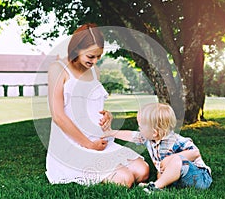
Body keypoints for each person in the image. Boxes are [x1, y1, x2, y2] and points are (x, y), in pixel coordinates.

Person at [46, 23, 149, 187]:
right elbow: (58, 116)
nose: (94, 61)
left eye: (98, 57)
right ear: (77, 49)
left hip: (98, 140)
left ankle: (108, 170)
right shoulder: (58, 69)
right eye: (90, 56)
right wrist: (88, 144)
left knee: (142, 171)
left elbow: (91, 105)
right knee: (125, 179)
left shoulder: (95, 71)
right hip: (72, 144)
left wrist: (107, 115)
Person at [103, 103, 212, 193]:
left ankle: (154, 187)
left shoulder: (176, 141)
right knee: (161, 171)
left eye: (141, 127)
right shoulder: (149, 138)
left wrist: (171, 158)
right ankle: (161, 185)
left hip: (199, 178)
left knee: (174, 161)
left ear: (154, 133)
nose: (139, 129)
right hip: (178, 179)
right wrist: (111, 133)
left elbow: (195, 153)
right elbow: (131, 135)